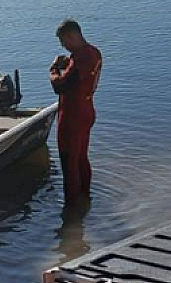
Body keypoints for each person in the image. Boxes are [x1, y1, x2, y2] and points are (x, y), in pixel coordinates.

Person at [49, 19, 102, 204]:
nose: (64, 46)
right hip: (87, 110)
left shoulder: (81, 58)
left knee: (69, 161)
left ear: (73, 36)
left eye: (65, 41)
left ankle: (71, 207)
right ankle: (85, 197)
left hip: (72, 115)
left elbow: (61, 85)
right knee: (81, 157)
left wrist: (54, 69)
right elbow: (79, 79)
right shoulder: (94, 53)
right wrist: (68, 64)